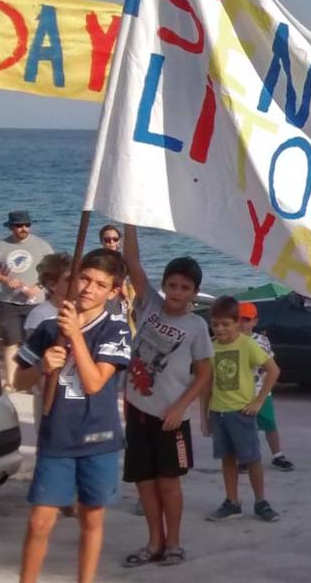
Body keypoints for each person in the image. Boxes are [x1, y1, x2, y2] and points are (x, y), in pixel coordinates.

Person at [13, 248, 132, 583]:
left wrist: (76, 336)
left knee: (91, 518)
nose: (88, 289)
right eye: (84, 278)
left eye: (99, 284)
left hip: (99, 438)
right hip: (57, 438)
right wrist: (40, 367)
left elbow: (95, 383)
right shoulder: (50, 327)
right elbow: (18, 380)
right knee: (40, 521)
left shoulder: (116, 330)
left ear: (112, 292)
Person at [120, 229, 214, 567]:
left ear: (195, 293)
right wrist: (130, 221)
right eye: (172, 285)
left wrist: (180, 407)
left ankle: (173, 542)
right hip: (137, 411)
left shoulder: (197, 327)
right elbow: (132, 262)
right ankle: (154, 542)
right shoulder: (149, 306)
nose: (176, 293)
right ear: (164, 286)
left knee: (168, 483)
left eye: (185, 288)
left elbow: (204, 373)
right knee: (144, 484)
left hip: (170, 419)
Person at [200, 296, 281, 522]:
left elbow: (273, 370)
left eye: (226, 324)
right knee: (227, 458)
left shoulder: (247, 345)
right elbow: (206, 384)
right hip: (219, 412)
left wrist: (258, 401)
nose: (220, 329)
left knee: (252, 458)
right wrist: (204, 417)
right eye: (215, 324)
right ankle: (232, 501)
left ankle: (261, 501)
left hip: (242, 412)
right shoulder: (211, 348)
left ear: (237, 323)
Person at [0, 210, 53, 391]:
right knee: (11, 342)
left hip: (36, 303)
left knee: (35, 343)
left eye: (26, 225)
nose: (23, 228)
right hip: (9, 302)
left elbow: (53, 270)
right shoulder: (1, 246)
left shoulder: (41, 245)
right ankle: (11, 382)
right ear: (11, 227)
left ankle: (34, 383)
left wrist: (38, 287)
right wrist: (5, 280)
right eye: (18, 225)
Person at [238, 302, 295, 470]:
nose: (242, 323)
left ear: (255, 321)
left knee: (269, 424)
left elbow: (269, 366)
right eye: (237, 319)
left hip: (260, 391)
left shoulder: (261, 340)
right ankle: (245, 458)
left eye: (246, 319)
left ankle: (277, 455)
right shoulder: (227, 340)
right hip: (239, 393)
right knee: (244, 428)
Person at [21, 253, 72, 419]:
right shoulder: (40, 315)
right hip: (49, 395)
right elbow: (31, 361)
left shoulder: (78, 311)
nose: (76, 283)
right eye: (68, 279)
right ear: (52, 285)